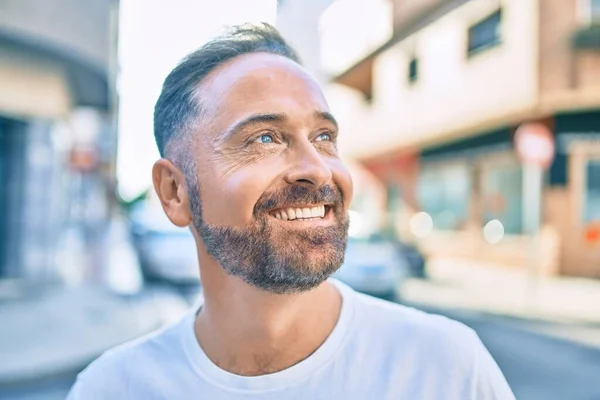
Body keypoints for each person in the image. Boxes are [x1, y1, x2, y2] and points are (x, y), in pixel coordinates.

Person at [67, 23, 514, 399]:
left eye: (323, 137)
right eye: (265, 138)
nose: (317, 170)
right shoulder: (112, 389)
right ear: (174, 192)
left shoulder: (448, 370)